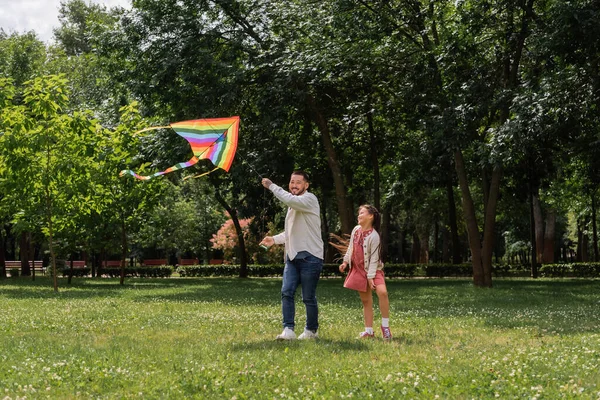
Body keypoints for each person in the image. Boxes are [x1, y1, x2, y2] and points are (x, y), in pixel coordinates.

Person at [260, 171, 324, 340]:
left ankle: (311, 331)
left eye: (298, 182)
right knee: (286, 292)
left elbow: (289, 199)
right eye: (292, 182)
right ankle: (288, 330)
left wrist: (271, 186)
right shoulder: (293, 205)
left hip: (310, 256)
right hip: (292, 257)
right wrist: (274, 239)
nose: (294, 185)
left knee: (308, 297)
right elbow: (291, 232)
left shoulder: (309, 199)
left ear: (306, 185)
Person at [338, 204, 392, 340]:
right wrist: (345, 262)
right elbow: (351, 247)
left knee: (382, 293)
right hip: (358, 270)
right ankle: (369, 331)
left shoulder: (374, 236)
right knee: (366, 301)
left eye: (361, 213)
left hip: (374, 270)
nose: (358, 215)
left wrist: (370, 277)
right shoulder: (356, 230)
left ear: (370, 216)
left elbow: (374, 260)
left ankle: (385, 327)